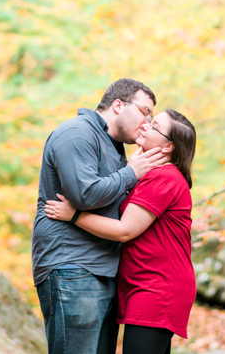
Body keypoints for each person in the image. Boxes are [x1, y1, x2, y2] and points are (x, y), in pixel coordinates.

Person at [31, 79, 168, 354]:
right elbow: (85, 195)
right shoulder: (76, 133)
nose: (147, 122)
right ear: (118, 105)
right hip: (72, 268)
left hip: (103, 271)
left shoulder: (114, 145)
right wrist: (131, 173)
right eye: (145, 111)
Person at [45, 109, 197, 354]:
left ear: (168, 147)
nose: (145, 125)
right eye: (149, 119)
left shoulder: (163, 177)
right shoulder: (151, 174)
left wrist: (74, 215)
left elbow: (124, 230)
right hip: (148, 284)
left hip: (158, 288)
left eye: (154, 125)